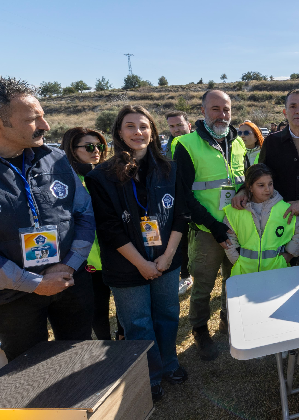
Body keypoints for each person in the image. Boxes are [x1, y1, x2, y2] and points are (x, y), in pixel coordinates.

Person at [0, 74, 95, 362]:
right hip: (7, 297)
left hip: (68, 281)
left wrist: (68, 265)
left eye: (43, 115)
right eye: (32, 119)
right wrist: (33, 283)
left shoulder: (56, 158)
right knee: (27, 367)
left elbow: (83, 214)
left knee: (78, 355)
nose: (45, 126)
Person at [85, 105, 188, 402]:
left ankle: (169, 364)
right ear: (119, 132)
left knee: (168, 315)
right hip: (126, 266)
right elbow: (109, 228)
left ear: (153, 131)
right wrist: (141, 264)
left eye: (143, 126)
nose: (138, 132)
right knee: (138, 323)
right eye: (130, 126)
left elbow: (181, 214)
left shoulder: (170, 168)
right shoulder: (101, 176)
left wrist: (167, 257)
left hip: (165, 260)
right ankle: (150, 374)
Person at [231, 89, 299, 266]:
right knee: (279, 273)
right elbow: (259, 174)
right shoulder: (272, 142)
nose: (298, 110)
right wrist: (244, 190)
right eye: (293, 106)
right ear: (285, 112)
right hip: (277, 223)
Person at [175, 89, 246, 361]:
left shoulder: (238, 143)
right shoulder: (187, 145)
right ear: (203, 111)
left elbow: (243, 183)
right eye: (215, 109)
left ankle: (229, 323)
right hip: (207, 231)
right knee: (203, 285)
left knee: (235, 281)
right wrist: (214, 227)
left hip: (238, 228)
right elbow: (185, 196)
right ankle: (200, 330)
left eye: (226, 109)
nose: (222, 114)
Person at [61, 127, 114, 341]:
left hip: (114, 254)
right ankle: (105, 346)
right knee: (97, 311)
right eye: (89, 147)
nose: (97, 151)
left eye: (100, 146)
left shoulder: (104, 176)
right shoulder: (67, 182)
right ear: (72, 149)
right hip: (86, 261)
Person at [222, 164, 299, 275]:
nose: (267, 189)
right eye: (261, 185)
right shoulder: (235, 211)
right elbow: (229, 236)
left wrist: (289, 254)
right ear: (250, 187)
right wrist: (236, 259)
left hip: (277, 272)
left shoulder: (284, 209)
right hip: (244, 272)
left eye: (270, 184)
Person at [164, 111, 194, 295]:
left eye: (179, 125)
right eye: (172, 126)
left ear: (188, 125)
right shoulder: (168, 146)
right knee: (181, 238)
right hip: (177, 199)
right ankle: (185, 275)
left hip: (198, 199)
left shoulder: (197, 144)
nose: (176, 129)